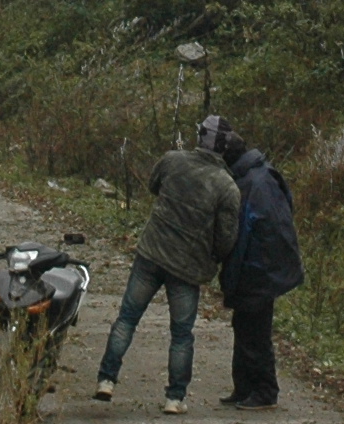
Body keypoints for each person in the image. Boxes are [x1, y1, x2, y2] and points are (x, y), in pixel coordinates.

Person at [92, 118, 240, 414]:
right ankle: (175, 398)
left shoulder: (172, 160)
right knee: (181, 334)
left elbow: (152, 186)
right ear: (224, 146)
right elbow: (227, 239)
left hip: (150, 255)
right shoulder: (227, 186)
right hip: (187, 269)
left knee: (127, 318)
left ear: (199, 137)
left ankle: (106, 380)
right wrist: (212, 258)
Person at [206, 116, 304, 410]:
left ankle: (264, 391)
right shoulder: (262, 174)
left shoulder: (251, 184)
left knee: (255, 332)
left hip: (259, 270)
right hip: (267, 267)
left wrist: (230, 272)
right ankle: (244, 386)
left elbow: (241, 234)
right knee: (244, 326)